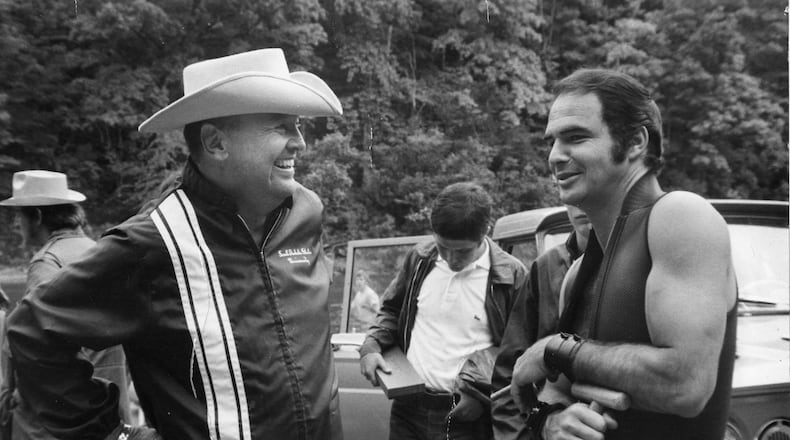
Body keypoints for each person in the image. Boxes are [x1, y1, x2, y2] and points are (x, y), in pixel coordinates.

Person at [6, 48, 344, 439]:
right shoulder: (154, 241)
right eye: (280, 127)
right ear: (216, 143)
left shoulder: (307, 212)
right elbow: (33, 330)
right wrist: (113, 434)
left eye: (297, 126)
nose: (299, 143)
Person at [510, 68, 737, 440]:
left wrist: (555, 348)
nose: (554, 156)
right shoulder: (577, 273)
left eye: (575, 137)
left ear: (635, 142)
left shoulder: (681, 216)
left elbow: (685, 385)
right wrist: (552, 421)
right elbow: (556, 390)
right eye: (552, 141)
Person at [359, 182, 529, 440]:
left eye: (462, 251)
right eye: (442, 247)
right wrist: (372, 346)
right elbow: (391, 309)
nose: (450, 259)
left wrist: (480, 394)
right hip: (407, 408)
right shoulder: (420, 259)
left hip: (467, 416)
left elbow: (518, 350)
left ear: (486, 231)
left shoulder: (512, 277)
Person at [0, 170, 132, 439]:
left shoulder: (47, 262)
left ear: (37, 217)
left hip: (65, 417)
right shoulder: (100, 249)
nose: (17, 225)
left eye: (19, 216)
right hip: (111, 407)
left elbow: (34, 344)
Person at [490, 205, 591, 440]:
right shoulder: (546, 266)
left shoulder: (646, 260)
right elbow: (509, 375)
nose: (582, 204)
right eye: (569, 190)